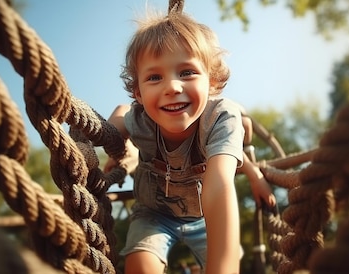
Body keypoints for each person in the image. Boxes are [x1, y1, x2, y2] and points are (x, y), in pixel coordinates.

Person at [105, 9, 247, 274]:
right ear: (139, 92)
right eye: (154, 77)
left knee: (226, 261)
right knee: (140, 266)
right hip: (153, 214)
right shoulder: (142, 121)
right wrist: (114, 142)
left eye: (187, 72)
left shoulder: (221, 117)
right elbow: (122, 115)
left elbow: (219, 185)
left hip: (205, 217)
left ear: (212, 80)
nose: (172, 87)